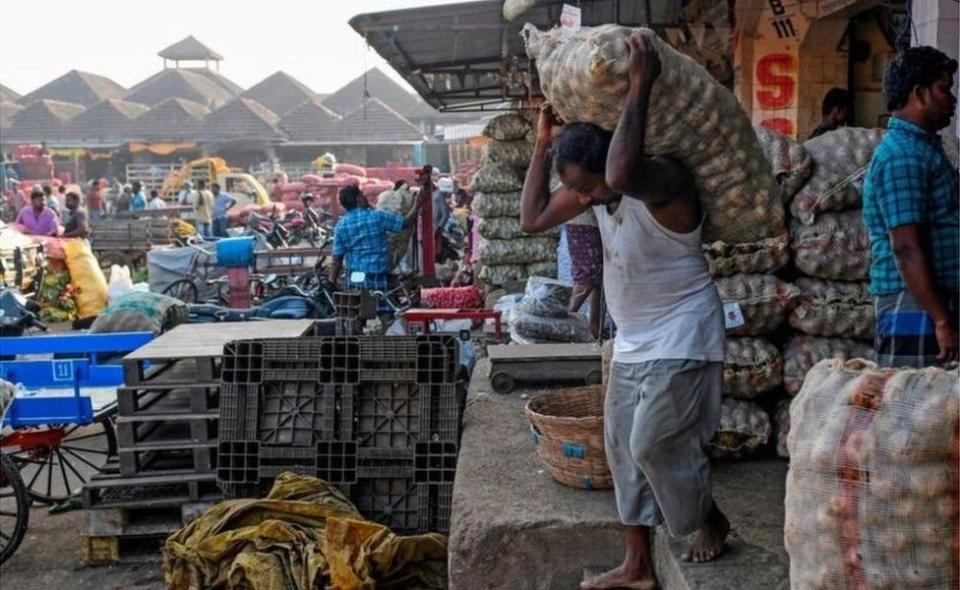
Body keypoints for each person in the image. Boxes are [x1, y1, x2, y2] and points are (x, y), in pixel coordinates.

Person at [519, 34, 729, 589]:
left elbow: (620, 176)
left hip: (684, 334)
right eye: (577, 191)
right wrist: (543, 145)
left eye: (586, 188)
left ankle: (701, 519)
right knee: (623, 457)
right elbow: (532, 217)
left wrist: (639, 85)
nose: (583, 200)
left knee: (654, 444)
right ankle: (637, 567)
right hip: (634, 342)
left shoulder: (663, 186)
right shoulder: (594, 192)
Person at [862, 46, 958, 367]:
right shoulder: (903, 156)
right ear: (920, 93)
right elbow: (905, 247)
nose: (953, 100)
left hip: (927, 304)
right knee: (912, 410)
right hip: (914, 308)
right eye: (944, 89)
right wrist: (942, 320)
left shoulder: (923, 150)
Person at [329, 184, 423, 294]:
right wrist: (417, 204)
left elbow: (337, 260)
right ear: (358, 199)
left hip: (356, 276)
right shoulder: (377, 216)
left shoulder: (340, 226)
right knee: (381, 299)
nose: (365, 198)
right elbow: (404, 224)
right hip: (378, 274)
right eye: (362, 196)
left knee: (358, 300)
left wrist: (332, 283)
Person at [565, 209, 604, 339]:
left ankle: (594, 327)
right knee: (587, 275)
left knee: (597, 276)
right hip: (584, 220)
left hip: (590, 220)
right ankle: (562, 321)